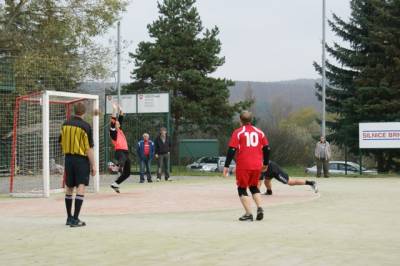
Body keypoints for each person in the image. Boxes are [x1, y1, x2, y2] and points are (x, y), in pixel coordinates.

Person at [223, 111, 270, 222]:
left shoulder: (238, 132)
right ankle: (259, 208)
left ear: (240, 121)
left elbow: (232, 150)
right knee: (254, 187)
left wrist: (226, 166)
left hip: (244, 165)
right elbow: (267, 148)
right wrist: (266, 163)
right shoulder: (260, 132)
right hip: (257, 165)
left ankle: (248, 214)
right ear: (251, 120)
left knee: (242, 188)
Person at [59, 102, 96, 227]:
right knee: (81, 186)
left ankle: (69, 218)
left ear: (74, 111)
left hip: (68, 158)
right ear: (84, 113)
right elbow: (89, 148)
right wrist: (93, 165)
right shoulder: (86, 126)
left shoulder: (65, 124)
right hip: (81, 159)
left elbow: (60, 141)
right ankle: (76, 219)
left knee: (69, 187)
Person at [109, 104, 131, 193]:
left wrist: (121, 110)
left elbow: (121, 118)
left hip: (126, 152)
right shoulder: (113, 132)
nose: (118, 123)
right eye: (117, 123)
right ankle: (115, 166)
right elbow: (113, 121)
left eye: (119, 123)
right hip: (119, 152)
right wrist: (114, 110)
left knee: (127, 173)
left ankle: (115, 184)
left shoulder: (120, 130)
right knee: (122, 160)